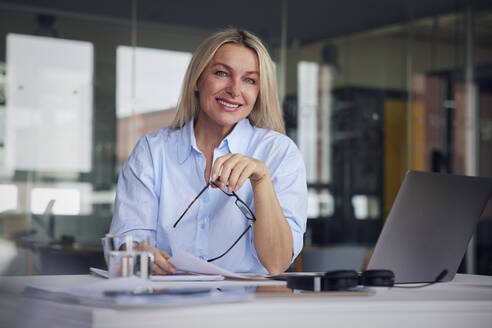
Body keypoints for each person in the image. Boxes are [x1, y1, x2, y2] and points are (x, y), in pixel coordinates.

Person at [109, 29, 307, 275]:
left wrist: (262, 180)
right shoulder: (152, 151)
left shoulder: (279, 152)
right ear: (197, 79)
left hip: (249, 308)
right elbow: (126, 248)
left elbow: (277, 263)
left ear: (259, 92)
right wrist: (138, 253)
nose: (235, 90)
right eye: (222, 73)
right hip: (167, 303)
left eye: (250, 80)